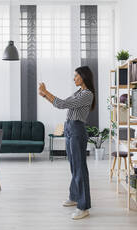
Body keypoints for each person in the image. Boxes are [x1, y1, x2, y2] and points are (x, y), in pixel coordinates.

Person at [38, 66, 95, 220]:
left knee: (79, 167)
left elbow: (62, 104)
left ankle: (83, 207)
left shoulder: (87, 94)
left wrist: (46, 91)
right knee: (73, 165)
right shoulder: (78, 93)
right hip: (69, 127)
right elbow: (60, 104)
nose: (74, 78)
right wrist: (44, 95)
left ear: (83, 77)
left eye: (76, 76)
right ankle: (74, 196)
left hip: (77, 129)